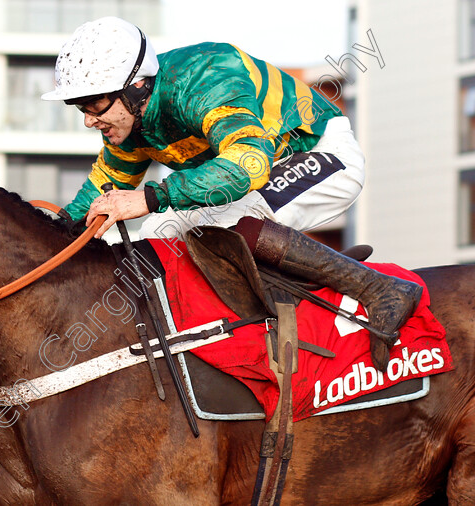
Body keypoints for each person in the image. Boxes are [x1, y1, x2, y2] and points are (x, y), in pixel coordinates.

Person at [41, 17, 421, 370]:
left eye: (94, 104)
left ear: (136, 86)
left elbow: (248, 165)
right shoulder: (129, 121)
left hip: (319, 153)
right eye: (80, 107)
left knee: (226, 221)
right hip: (259, 174)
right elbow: (100, 190)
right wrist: (53, 235)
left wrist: (147, 198)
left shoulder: (206, 76)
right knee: (157, 235)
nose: (89, 119)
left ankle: (381, 288)